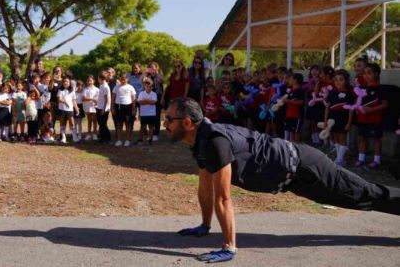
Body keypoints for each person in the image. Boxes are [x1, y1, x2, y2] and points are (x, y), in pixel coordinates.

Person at [166, 97, 400, 264]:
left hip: (306, 167)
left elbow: (224, 198)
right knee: (356, 199)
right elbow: (205, 188)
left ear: (187, 122)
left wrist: (229, 247)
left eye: (169, 119)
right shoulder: (199, 142)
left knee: (365, 195)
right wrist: (205, 226)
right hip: (295, 179)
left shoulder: (215, 142)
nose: (165, 124)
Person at [355, 63, 388, 169]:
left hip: (375, 119)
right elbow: (358, 102)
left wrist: (371, 109)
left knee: (376, 139)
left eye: (369, 73)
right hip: (362, 119)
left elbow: (385, 104)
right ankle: (361, 159)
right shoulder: (362, 88)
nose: (366, 76)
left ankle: (376, 160)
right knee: (363, 138)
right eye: (364, 73)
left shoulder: (380, 88)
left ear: (376, 74)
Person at [322, 69, 355, 165]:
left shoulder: (349, 94)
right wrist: (325, 121)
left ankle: (340, 159)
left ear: (346, 81)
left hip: (343, 119)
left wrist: (349, 123)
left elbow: (351, 110)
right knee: (335, 137)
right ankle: (338, 156)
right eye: (336, 80)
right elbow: (327, 108)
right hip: (332, 119)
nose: (338, 82)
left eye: (341, 80)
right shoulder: (332, 93)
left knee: (342, 138)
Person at [112, 73, 136, 147]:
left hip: (128, 107)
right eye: (121, 79)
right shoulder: (116, 87)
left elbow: (134, 99)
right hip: (118, 107)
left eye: (124, 79)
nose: (123, 80)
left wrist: (133, 109)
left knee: (128, 124)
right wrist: (112, 107)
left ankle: (127, 140)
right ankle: (119, 140)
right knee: (119, 124)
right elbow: (113, 97)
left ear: (127, 79)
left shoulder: (131, 87)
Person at [82, 75, 99, 142]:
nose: (89, 82)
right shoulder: (85, 89)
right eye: (88, 81)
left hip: (94, 107)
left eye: (91, 81)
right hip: (88, 106)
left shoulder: (97, 89)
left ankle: (94, 134)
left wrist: (95, 100)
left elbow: (98, 99)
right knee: (89, 120)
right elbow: (83, 98)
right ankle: (89, 134)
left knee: (95, 120)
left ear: (93, 81)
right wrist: (92, 98)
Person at [96, 71, 112, 144]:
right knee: (101, 124)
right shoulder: (101, 85)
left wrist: (104, 109)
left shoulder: (105, 86)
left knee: (103, 124)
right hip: (99, 107)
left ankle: (106, 138)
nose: (97, 80)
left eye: (98, 78)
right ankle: (103, 137)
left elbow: (107, 99)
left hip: (103, 108)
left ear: (100, 78)